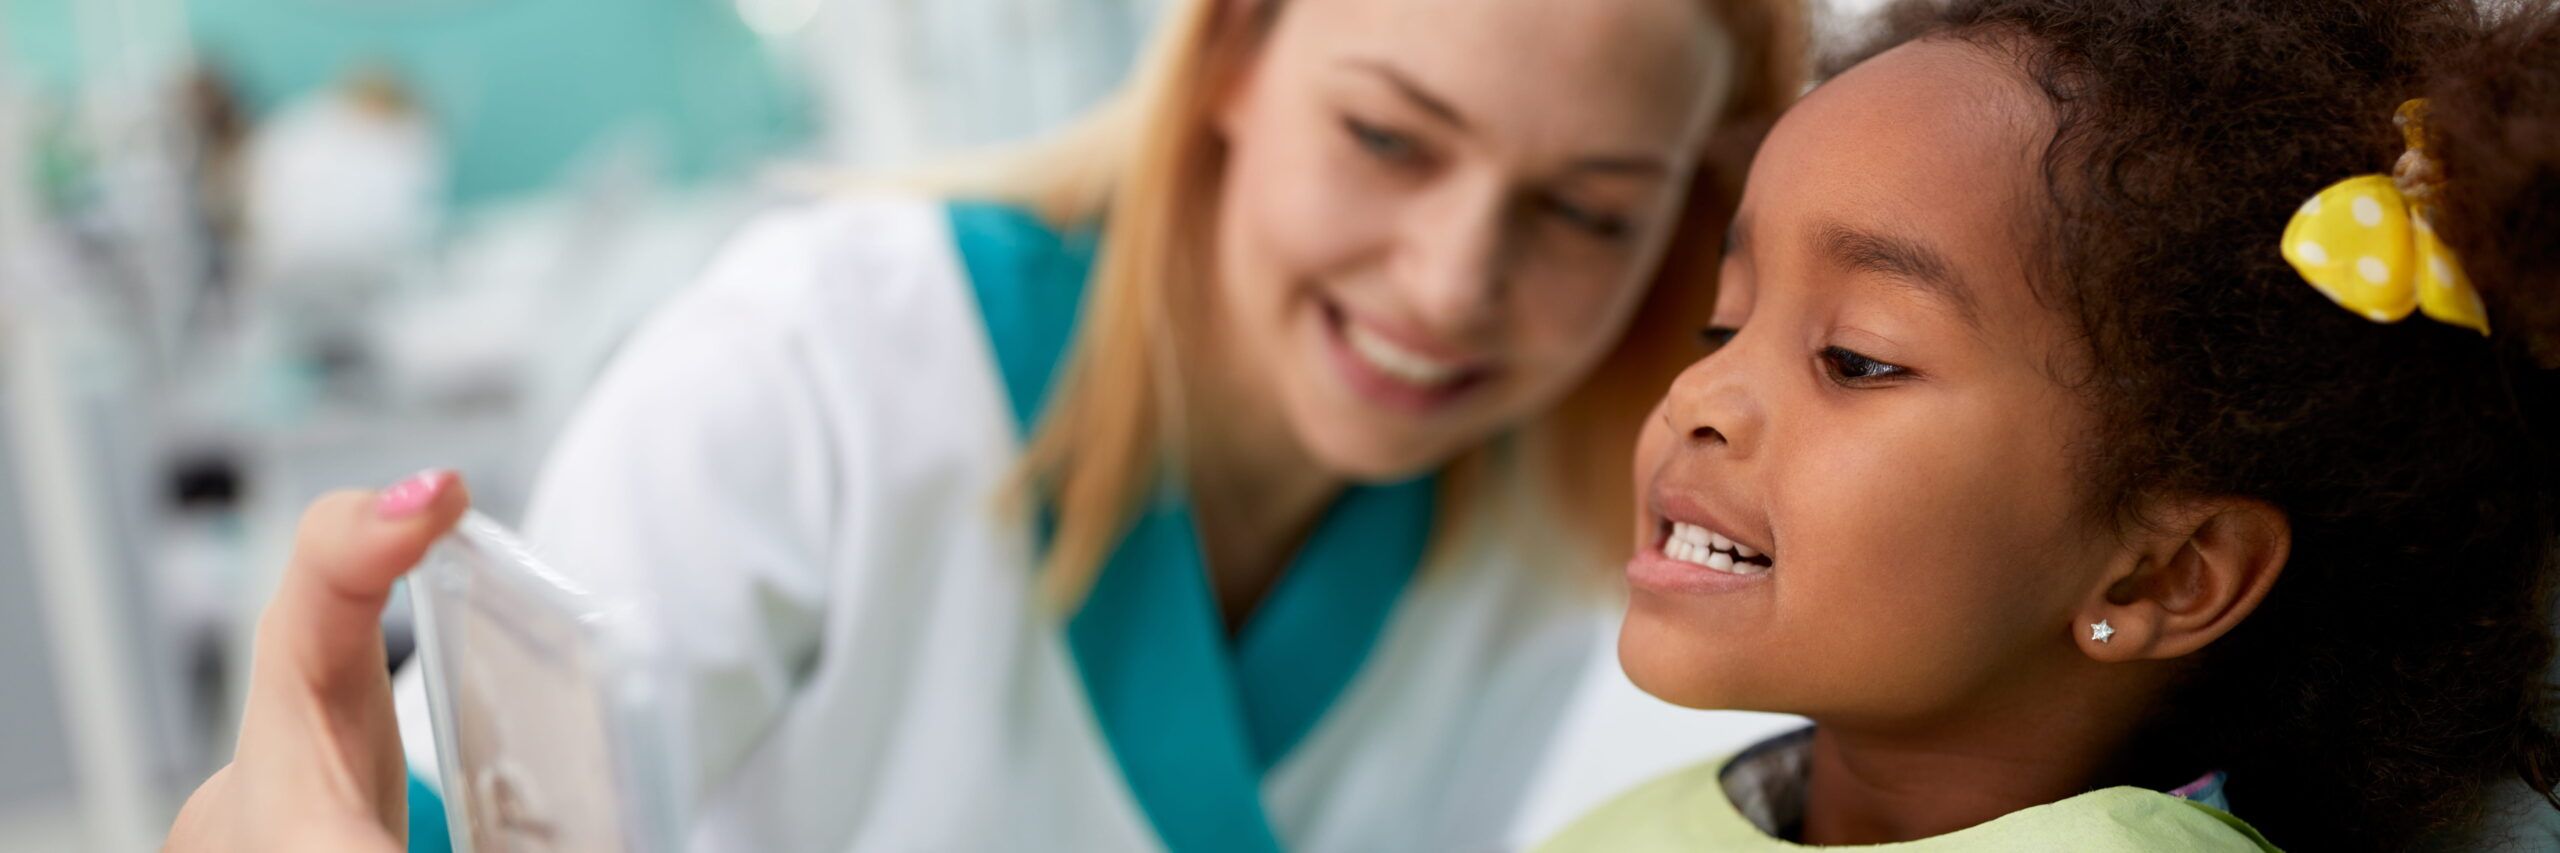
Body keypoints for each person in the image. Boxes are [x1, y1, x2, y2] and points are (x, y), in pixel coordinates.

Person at [166, 0, 1808, 849]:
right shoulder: (836, 364)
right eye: (1388, 139)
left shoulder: (1545, 526)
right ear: (1229, 52)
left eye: (1588, 212)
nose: (1454, 284)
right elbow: (499, 813)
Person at [1540, 0, 2560, 849]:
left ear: (2161, 573)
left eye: (1855, 359)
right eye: (1722, 321)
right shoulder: (1627, 827)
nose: (1696, 396)